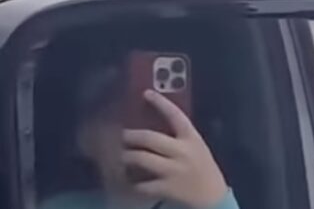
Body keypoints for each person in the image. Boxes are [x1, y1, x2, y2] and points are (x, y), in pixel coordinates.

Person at [38, 55, 239, 209]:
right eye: (114, 113)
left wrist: (215, 199)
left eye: (150, 115)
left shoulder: (200, 204)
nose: (137, 132)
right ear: (83, 139)